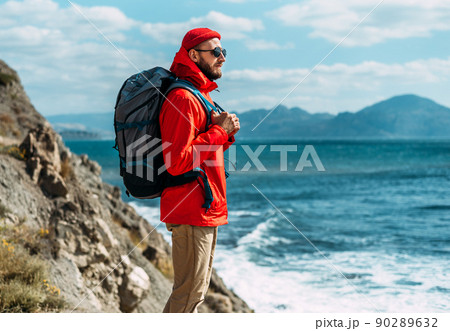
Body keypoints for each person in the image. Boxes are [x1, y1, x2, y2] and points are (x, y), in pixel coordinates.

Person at [159, 28, 240, 313]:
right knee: (187, 296)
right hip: (191, 209)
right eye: (215, 52)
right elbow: (178, 161)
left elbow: (201, 155)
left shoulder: (199, 97)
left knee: (193, 296)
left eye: (223, 52)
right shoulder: (182, 98)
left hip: (203, 209)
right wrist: (219, 131)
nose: (222, 58)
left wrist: (224, 134)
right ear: (193, 55)